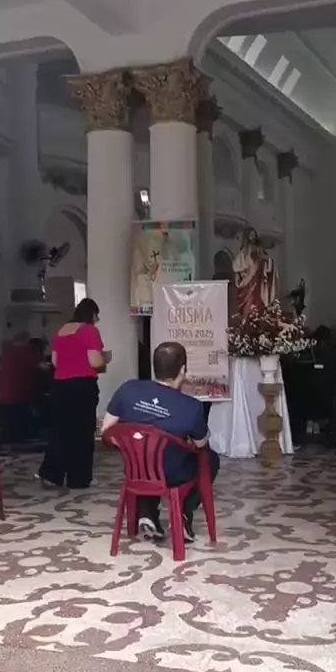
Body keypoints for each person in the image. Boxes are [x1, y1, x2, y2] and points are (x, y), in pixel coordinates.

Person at [101, 341, 220, 544]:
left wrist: (133, 448)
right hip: (172, 474)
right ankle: (184, 513)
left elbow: (107, 431)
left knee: (149, 460)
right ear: (182, 370)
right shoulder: (191, 407)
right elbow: (201, 445)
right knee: (210, 459)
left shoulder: (128, 389)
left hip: (135, 470)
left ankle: (147, 513)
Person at [38, 298, 111, 489]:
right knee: (82, 432)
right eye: (97, 316)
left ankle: (51, 474)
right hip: (81, 387)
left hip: (59, 386)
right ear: (92, 314)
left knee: (60, 431)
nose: (97, 320)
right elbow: (95, 361)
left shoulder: (60, 331)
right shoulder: (89, 331)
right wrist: (105, 360)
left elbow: (55, 362)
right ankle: (79, 478)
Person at [232, 227, 278, 319]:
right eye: (251, 235)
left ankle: (256, 315)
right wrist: (243, 271)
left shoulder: (259, 248)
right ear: (247, 236)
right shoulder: (245, 250)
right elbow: (238, 264)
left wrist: (267, 263)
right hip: (248, 280)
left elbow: (266, 258)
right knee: (248, 298)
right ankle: (246, 317)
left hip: (258, 278)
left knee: (256, 297)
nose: (253, 237)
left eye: (254, 235)